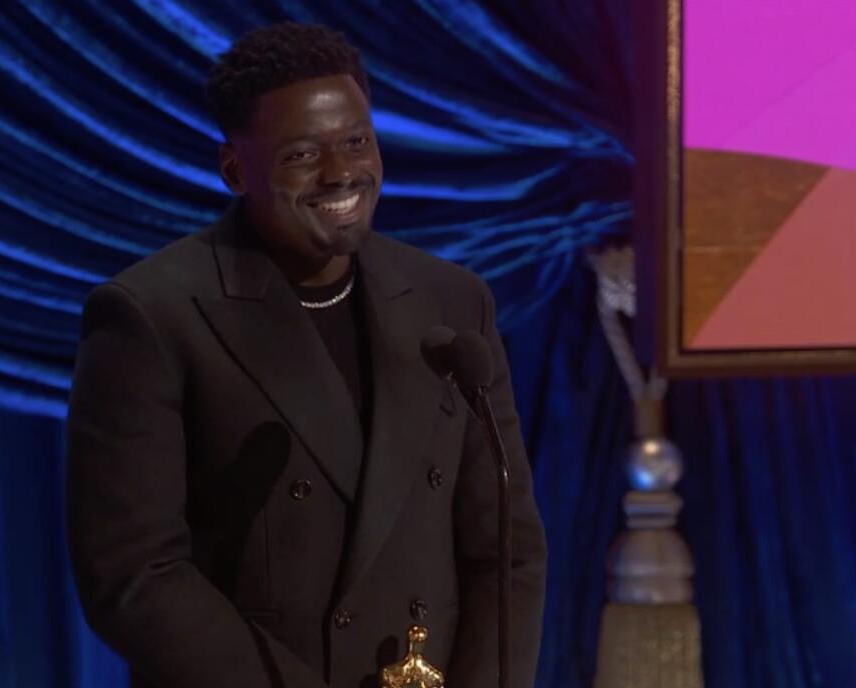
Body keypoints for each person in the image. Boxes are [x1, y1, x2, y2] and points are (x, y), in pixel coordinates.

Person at [65, 22, 547, 688]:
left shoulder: (451, 303)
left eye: (356, 141)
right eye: (302, 154)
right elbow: (134, 575)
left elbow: (508, 551)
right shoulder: (152, 316)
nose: (342, 171)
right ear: (236, 170)